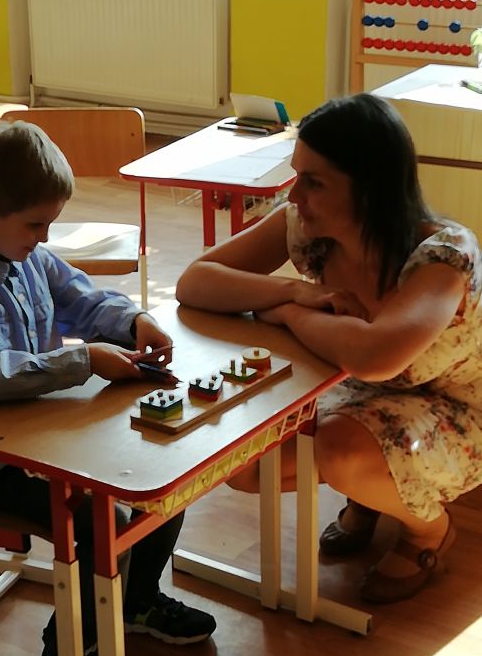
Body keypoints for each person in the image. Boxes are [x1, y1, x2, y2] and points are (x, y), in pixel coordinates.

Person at [0, 120, 216, 656]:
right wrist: (84, 359)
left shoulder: (24, 255)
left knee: (161, 476)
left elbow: (80, 296)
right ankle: (66, 655)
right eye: (36, 225)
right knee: (96, 522)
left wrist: (133, 322)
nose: (44, 238)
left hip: (43, 440)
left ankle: (134, 602)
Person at [176, 92, 482, 605]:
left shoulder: (445, 255)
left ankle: (427, 530)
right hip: (367, 394)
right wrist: (293, 290)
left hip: (462, 407)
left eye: (314, 182)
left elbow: (375, 357)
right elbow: (195, 281)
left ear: (370, 190)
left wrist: (290, 312)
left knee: (339, 447)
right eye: (297, 175)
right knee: (246, 462)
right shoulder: (306, 227)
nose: (294, 194)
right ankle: (371, 490)